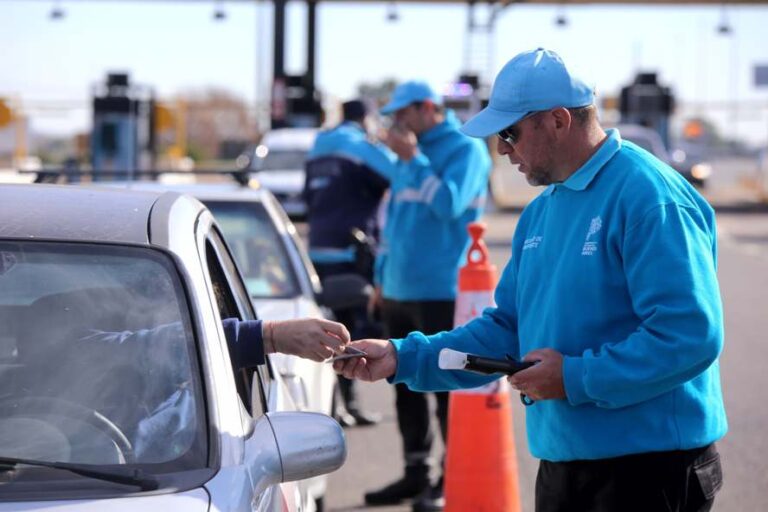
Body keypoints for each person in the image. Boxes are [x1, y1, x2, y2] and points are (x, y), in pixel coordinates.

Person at [336, 48, 726, 512]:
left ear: (559, 120)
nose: (502, 149)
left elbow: (689, 335)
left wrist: (575, 376)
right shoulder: (541, 212)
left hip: (650, 470)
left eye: (510, 132)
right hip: (563, 465)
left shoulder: (649, 197)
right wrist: (403, 357)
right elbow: (506, 329)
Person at [364, 81, 492, 511]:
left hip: (441, 290)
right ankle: (415, 474)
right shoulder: (407, 155)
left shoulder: (464, 150)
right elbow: (393, 221)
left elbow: (449, 205)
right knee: (403, 386)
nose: (396, 122)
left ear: (427, 109)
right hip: (399, 289)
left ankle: (449, 477)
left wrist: (414, 159)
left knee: (444, 390)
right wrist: (381, 279)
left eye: (403, 113)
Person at [82, 317, 350, 460]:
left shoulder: (187, 404)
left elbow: (143, 353)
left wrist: (267, 336)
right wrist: (266, 336)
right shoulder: (60, 338)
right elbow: (115, 352)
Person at [304, 99, 397, 427]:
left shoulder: (318, 146)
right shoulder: (360, 146)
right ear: (366, 119)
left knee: (330, 327)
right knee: (353, 331)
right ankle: (347, 404)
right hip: (351, 251)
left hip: (318, 249)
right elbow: (399, 172)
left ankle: (336, 404)